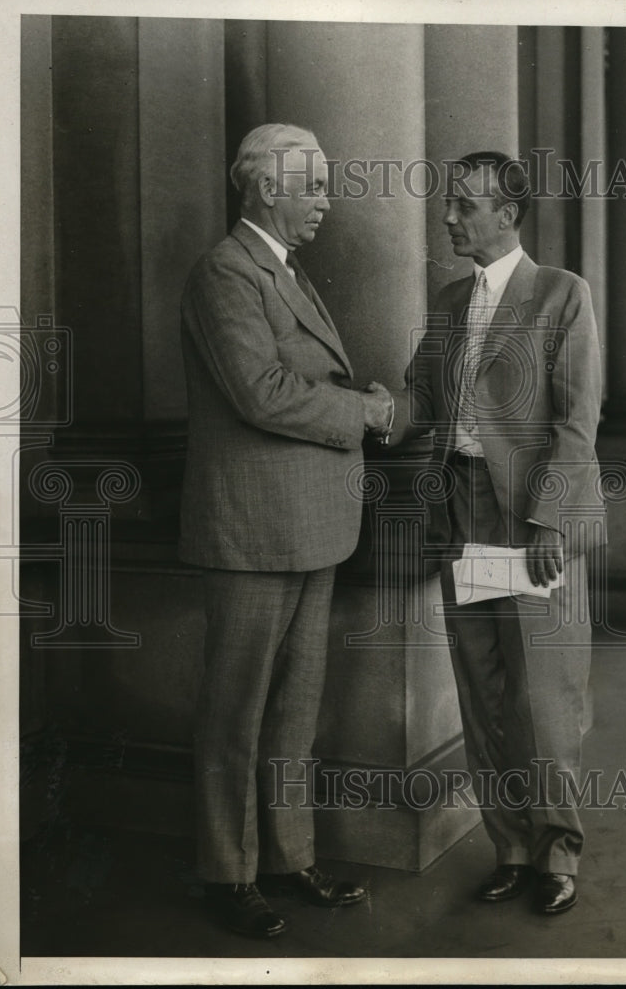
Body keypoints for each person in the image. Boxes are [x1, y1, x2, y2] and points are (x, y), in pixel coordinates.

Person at [179, 123, 392, 938]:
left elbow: (298, 381)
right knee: (235, 712)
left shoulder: (278, 270)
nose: (326, 202)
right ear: (268, 187)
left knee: (293, 711)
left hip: (309, 523)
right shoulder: (225, 272)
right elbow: (260, 393)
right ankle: (225, 875)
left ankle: (287, 857)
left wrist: (351, 403)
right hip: (252, 530)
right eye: (315, 187)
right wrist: (367, 411)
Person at [380, 150, 604, 915]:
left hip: (531, 521)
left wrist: (546, 520)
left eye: (463, 204)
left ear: (507, 215)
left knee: (546, 701)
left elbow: (576, 425)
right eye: (448, 202)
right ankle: (508, 847)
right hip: (462, 515)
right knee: (485, 698)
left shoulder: (560, 295)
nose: (448, 216)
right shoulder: (447, 303)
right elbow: (416, 399)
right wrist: (365, 410)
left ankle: (558, 853)